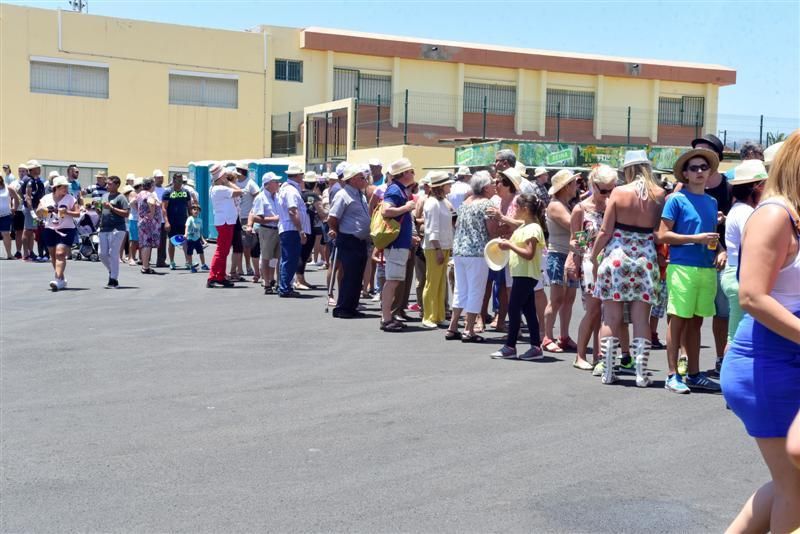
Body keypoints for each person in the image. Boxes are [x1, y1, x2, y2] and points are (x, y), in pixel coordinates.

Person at [721, 130, 800, 533]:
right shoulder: (774, 214)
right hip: (768, 364)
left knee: (788, 482)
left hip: (784, 360)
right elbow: (752, 296)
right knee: (795, 489)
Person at [590, 152, 665, 387]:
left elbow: (605, 230)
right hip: (646, 257)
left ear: (628, 170)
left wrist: (593, 256)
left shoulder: (618, 193)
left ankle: (609, 371)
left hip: (617, 256)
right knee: (642, 319)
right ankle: (642, 374)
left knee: (611, 318)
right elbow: (658, 231)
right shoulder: (660, 194)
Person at [656, 148, 724, 393]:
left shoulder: (711, 201)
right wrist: (695, 239)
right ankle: (672, 374)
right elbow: (662, 235)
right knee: (678, 321)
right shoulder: (676, 199)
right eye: (693, 168)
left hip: (706, 268)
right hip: (682, 267)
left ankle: (694, 373)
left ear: (710, 172)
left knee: (696, 323)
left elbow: (712, 237)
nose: (699, 172)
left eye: (703, 168)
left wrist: (721, 250)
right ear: (685, 173)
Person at [566, 164, 617, 371]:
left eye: (611, 190)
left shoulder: (614, 206)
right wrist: (575, 253)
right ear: (592, 185)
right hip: (590, 264)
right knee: (593, 309)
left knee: (606, 311)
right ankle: (580, 355)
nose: (607, 194)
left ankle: (599, 355)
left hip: (611, 262)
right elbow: (572, 240)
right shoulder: (581, 208)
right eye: (603, 189)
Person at [690, 134, 731, 377]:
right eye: (694, 161)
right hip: (691, 258)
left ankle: (720, 359)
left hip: (721, 258)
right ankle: (686, 359)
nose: (699, 167)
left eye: (705, 155)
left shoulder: (728, 186)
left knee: (722, 313)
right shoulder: (683, 187)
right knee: (689, 315)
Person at [490, 193, 546, 360]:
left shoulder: (533, 228)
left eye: (516, 207)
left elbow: (529, 254)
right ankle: (535, 347)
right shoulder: (526, 226)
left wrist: (510, 245)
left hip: (526, 275)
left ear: (525, 209)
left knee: (514, 308)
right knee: (528, 311)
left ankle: (510, 346)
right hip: (522, 274)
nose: (513, 209)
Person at [720, 160, 767, 346]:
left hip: (735, 273)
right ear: (755, 187)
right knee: (737, 337)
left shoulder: (739, 209)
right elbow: (755, 243)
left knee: (737, 334)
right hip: (740, 275)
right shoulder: (746, 212)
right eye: (763, 185)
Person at [446, 171, 497, 342]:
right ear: (485, 187)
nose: (495, 186)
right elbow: (491, 230)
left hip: (460, 250)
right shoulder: (487, 204)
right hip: (477, 252)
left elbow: (458, 224)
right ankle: (469, 329)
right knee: (476, 290)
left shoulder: (465, 202)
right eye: (492, 183)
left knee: (461, 289)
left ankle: (453, 326)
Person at [542, 169, 581, 353]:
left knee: (569, 299)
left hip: (570, 255)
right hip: (558, 255)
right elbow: (574, 226)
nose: (577, 186)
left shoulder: (565, 204)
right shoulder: (556, 205)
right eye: (574, 183)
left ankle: (564, 336)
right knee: (557, 299)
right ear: (566, 187)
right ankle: (547, 336)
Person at [379, 158, 417, 331]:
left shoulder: (398, 189)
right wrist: (407, 207)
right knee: (392, 281)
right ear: (403, 174)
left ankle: (388, 316)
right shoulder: (395, 189)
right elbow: (386, 210)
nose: (413, 174)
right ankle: (386, 318)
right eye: (410, 171)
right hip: (396, 244)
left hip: (399, 243)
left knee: (393, 280)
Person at [327, 164, 371, 318]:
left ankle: (351, 306)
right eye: (361, 178)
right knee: (349, 275)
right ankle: (343, 308)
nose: (364, 180)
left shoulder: (360, 195)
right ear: (352, 179)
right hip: (348, 239)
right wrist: (340, 233)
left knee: (357, 275)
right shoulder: (343, 195)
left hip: (360, 240)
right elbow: (332, 218)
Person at [421, 171, 455, 328]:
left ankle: (439, 315)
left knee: (441, 283)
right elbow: (431, 229)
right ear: (441, 186)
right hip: (436, 247)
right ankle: (428, 316)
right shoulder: (432, 203)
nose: (450, 186)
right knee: (432, 282)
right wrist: (438, 249)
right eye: (448, 184)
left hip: (444, 245)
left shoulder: (442, 202)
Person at [37, 176, 79, 290]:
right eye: (63, 187)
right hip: (50, 228)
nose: (66, 189)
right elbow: (38, 212)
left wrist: (67, 212)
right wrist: (43, 210)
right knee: (53, 255)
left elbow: (78, 213)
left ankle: (56, 279)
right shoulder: (46, 198)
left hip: (67, 229)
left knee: (60, 253)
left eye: (66, 186)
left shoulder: (70, 198)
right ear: (56, 188)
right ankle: (61, 280)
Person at [276, 164, 310, 297]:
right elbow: (292, 210)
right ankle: (285, 288)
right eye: (301, 175)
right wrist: (300, 230)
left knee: (288, 258)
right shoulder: (291, 191)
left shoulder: (288, 189)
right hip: (291, 229)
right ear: (297, 176)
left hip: (288, 228)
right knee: (290, 259)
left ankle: (284, 286)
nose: (302, 177)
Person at [207, 164, 243, 288]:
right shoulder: (220, 189)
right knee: (221, 251)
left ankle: (220, 276)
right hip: (226, 222)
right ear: (221, 176)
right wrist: (227, 182)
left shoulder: (215, 188)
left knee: (223, 250)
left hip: (225, 221)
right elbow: (239, 192)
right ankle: (212, 276)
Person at [249, 172, 282, 294]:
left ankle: (277, 282)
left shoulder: (277, 196)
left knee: (277, 257)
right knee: (267, 257)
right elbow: (256, 217)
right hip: (267, 230)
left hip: (278, 229)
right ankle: (267, 283)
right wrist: (274, 219)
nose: (278, 183)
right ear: (268, 184)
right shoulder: (261, 197)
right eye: (275, 182)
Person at [98, 176, 130, 288]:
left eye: (110, 184)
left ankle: (113, 279)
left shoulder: (121, 197)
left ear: (117, 185)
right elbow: (102, 211)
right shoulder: (105, 196)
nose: (107, 186)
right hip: (104, 228)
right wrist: (98, 208)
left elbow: (126, 213)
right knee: (102, 254)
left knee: (113, 253)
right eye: (107, 184)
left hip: (117, 229)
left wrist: (112, 208)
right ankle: (112, 271)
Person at [295, 171, 323, 290]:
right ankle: (299, 280)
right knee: (304, 254)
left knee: (300, 253)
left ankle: (300, 279)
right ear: (315, 184)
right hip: (309, 227)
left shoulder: (299, 194)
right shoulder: (314, 196)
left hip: (298, 226)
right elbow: (321, 212)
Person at [233, 164, 260, 280]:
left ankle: (248, 266)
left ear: (241, 171)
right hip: (235, 217)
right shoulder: (234, 183)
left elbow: (258, 196)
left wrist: (253, 210)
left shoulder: (250, 183)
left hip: (245, 217)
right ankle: (240, 269)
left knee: (246, 244)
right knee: (238, 244)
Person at [135, 177, 162, 274]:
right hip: (148, 222)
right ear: (151, 185)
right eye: (153, 184)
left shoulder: (140, 194)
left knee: (144, 243)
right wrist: (152, 212)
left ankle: (144, 265)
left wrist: (140, 212)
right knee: (147, 243)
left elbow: (133, 203)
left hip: (142, 220)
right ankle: (145, 267)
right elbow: (151, 203)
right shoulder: (149, 194)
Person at [21, 160, 46, 262]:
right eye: (37, 167)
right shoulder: (29, 180)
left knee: (33, 230)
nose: (39, 169)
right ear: (32, 169)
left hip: (37, 208)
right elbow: (27, 196)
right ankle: (26, 254)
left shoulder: (37, 180)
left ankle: (31, 252)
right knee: (27, 230)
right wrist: (31, 210)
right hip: (31, 209)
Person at [0, 172, 21, 258]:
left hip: (5, 215)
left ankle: (9, 254)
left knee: (6, 234)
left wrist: (14, 208)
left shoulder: (8, 188)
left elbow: (17, 198)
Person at [184, 205, 208, 273]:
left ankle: (203, 265)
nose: (196, 211)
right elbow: (187, 227)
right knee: (189, 253)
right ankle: (191, 266)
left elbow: (200, 232)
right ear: (191, 211)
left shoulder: (200, 220)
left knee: (201, 252)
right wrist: (185, 234)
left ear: (199, 211)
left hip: (197, 239)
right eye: (194, 209)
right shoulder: (190, 219)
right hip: (190, 239)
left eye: (197, 210)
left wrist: (203, 240)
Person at [152, 169, 168, 268]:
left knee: (162, 241)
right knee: (149, 240)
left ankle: (161, 260)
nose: (161, 179)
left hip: (162, 219)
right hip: (152, 219)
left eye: (162, 178)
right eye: (158, 178)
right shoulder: (151, 190)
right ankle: (145, 259)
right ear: (154, 178)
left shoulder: (165, 190)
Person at [127, 178, 142, 266]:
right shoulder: (133, 193)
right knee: (133, 239)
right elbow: (132, 204)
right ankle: (131, 258)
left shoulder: (143, 193)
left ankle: (141, 257)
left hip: (141, 219)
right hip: (134, 219)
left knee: (141, 240)